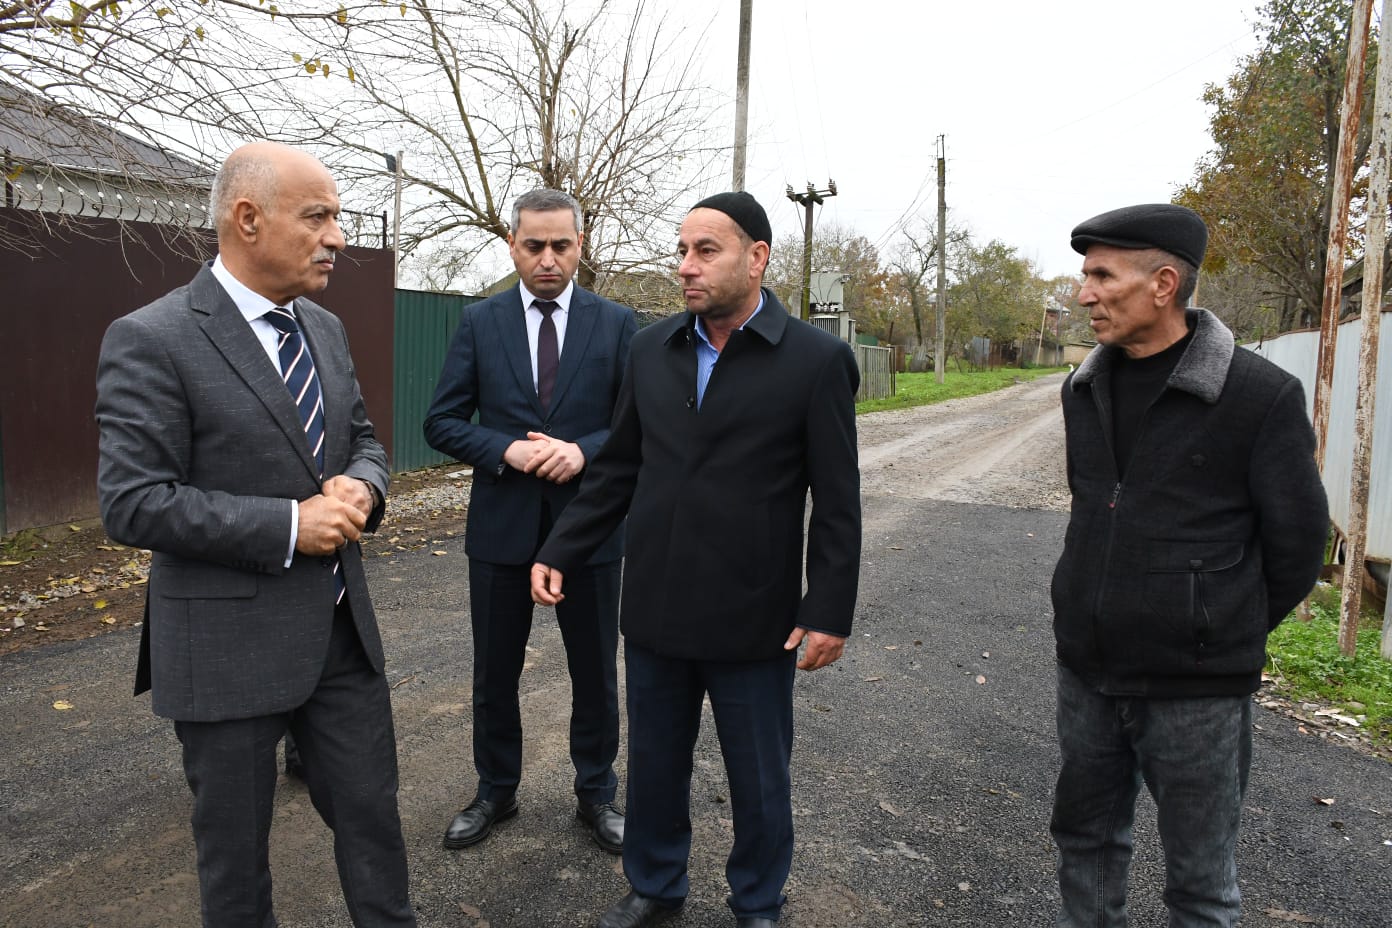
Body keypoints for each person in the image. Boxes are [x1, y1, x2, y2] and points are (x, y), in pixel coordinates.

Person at [95, 141, 415, 927]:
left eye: (336, 217)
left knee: (374, 826)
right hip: (223, 650)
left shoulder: (325, 329)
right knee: (236, 867)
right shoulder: (152, 337)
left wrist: (363, 485)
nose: (337, 237)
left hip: (340, 638)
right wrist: (289, 524)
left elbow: (365, 441)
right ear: (247, 219)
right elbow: (133, 502)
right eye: (318, 217)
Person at [531, 191, 862, 928]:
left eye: (705, 250)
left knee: (759, 776)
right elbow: (618, 467)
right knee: (653, 766)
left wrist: (828, 609)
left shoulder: (816, 361)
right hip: (656, 607)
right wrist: (563, 547)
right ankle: (655, 885)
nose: (686, 266)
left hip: (756, 617)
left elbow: (839, 501)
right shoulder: (651, 349)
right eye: (681, 251)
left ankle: (758, 901)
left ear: (757, 257)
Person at [1050, 203, 1329, 927]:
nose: (1084, 294)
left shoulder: (1259, 396)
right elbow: (1094, 511)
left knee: (1201, 883)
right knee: (1085, 843)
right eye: (1086, 277)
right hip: (1089, 672)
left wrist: (1214, 620)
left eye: (1102, 276)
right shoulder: (1082, 389)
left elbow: (1299, 544)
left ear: (1164, 284)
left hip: (1197, 689)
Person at [424, 189, 637, 854]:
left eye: (561, 245)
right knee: (494, 672)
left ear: (580, 246)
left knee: (594, 671)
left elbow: (637, 423)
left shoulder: (616, 323)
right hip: (502, 526)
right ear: (512, 245)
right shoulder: (480, 322)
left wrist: (583, 451)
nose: (548, 258)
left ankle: (597, 794)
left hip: (590, 528)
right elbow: (442, 421)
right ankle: (496, 791)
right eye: (534, 245)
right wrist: (506, 450)